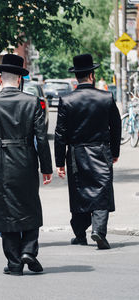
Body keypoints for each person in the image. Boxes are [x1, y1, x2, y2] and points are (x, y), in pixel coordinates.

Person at [0, 54, 53, 275]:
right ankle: (29, 251)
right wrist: (47, 168)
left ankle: (14, 263)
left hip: (3, 159)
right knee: (31, 205)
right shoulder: (32, 102)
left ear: (1, 79)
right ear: (20, 79)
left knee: (6, 210)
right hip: (27, 158)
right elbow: (41, 137)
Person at [55, 54, 121, 249]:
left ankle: (80, 234)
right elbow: (115, 127)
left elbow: (60, 133)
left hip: (76, 153)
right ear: (92, 76)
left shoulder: (66, 100)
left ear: (77, 77)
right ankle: (98, 231)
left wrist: (59, 162)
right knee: (102, 190)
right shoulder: (106, 97)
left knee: (78, 192)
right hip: (100, 150)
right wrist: (115, 152)